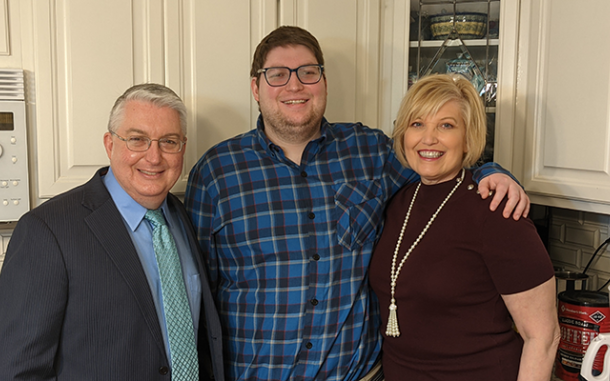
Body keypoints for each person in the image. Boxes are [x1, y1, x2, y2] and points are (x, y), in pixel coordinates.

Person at [184, 26, 530, 381]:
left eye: (308, 72)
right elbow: (197, 297)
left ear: (324, 82)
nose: (295, 85)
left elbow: (440, 160)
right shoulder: (216, 173)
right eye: (277, 75)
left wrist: (492, 171)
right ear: (256, 88)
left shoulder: (371, 152)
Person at [0, 84, 224, 381]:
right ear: (110, 144)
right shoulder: (47, 231)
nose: (154, 157)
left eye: (168, 141)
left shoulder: (184, 217)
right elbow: (18, 372)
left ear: (182, 147)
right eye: (137, 140)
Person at [369, 74, 559, 381]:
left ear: (468, 137)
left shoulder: (496, 209)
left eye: (446, 125)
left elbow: (543, 336)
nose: (428, 139)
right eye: (417, 124)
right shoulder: (398, 201)